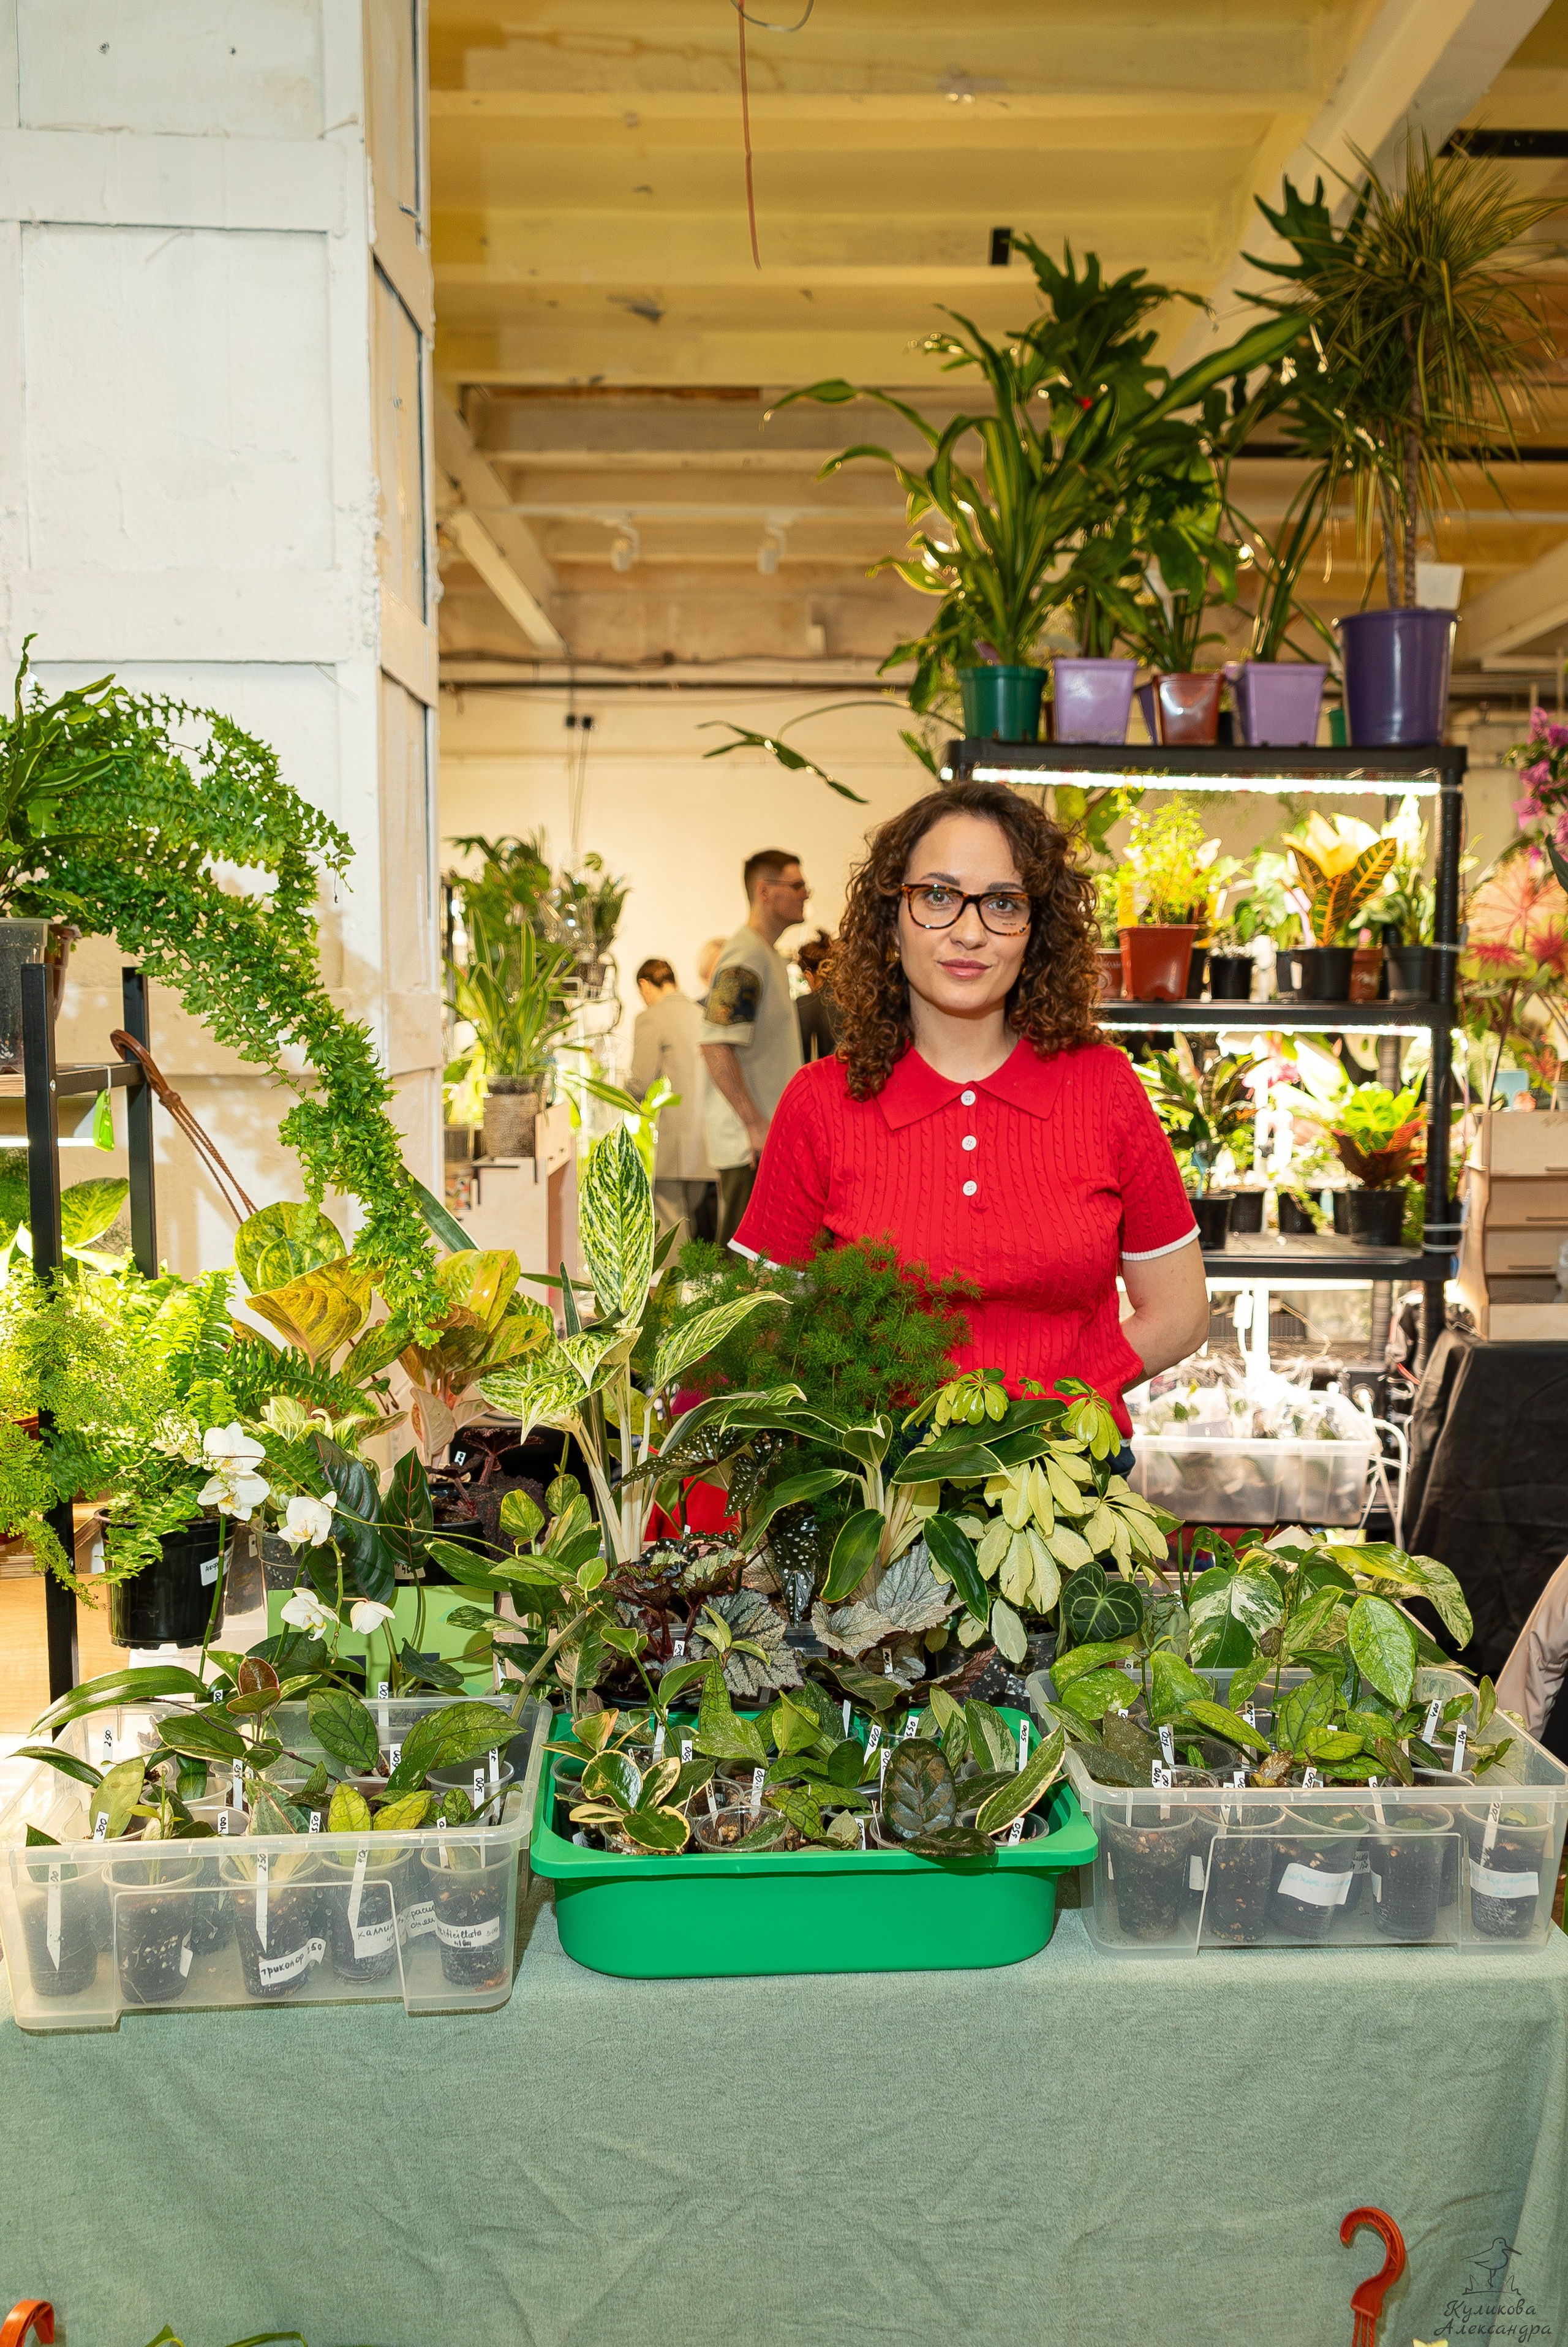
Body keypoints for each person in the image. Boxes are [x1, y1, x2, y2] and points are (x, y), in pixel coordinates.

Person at [732, 781, 1210, 1431]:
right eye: (937, 896)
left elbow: (1179, 1315)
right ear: (890, 917)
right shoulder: (820, 1102)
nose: (969, 931)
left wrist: (1047, 1410)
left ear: (1035, 931)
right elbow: (761, 1326)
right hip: (879, 1492)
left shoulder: (1104, 1088)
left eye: (1003, 904)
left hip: (1066, 1479)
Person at [699, 848, 808, 1246]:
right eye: (796, 885)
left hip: (762, 1139)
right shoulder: (746, 956)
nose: (805, 894)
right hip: (751, 1145)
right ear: (765, 891)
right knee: (739, 1269)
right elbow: (715, 1044)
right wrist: (753, 1123)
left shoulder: (766, 956)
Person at [628, 957, 715, 1245]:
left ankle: (674, 1291)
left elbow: (641, 1081)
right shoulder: (701, 1014)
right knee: (694, 1224)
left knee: (671, 1234)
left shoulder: (651, 1017)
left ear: (645, 985)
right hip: (706, 1141)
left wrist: (614, 1092)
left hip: (674, 1140)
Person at [794, 929, 840, 1063]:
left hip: (824, 1080)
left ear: (808, 975)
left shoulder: (804, 1006)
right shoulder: (855, 999)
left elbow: (802, 1059)